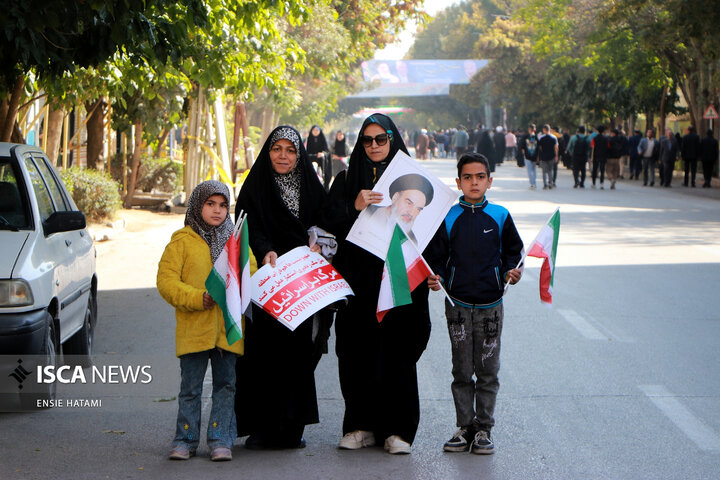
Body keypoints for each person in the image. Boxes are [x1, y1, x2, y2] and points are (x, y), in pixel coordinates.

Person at [324, 113, 431, 455]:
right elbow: (327, 226)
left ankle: (398, 430)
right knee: (356, 351)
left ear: (392, 140)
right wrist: (354, 206)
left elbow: (433, 234)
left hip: (400, 281)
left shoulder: (413, 180)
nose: (373, 146)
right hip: (357, 282)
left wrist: (434, 270)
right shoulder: (345, 181)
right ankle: (359, 425)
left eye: (380, 139)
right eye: (367, 140)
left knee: (398, 351)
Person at [234, 125, 328, 450]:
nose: (283, 156)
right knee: (261, 355)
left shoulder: (312, 188)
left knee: (298, 355)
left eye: (290, 150)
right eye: (277, 149)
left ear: (299, 153)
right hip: (266, 282)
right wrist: (263, 249)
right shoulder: (255, 187)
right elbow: (245, 223)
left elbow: (327, 223)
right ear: (268, 152)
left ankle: (292, 427)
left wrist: (317, 243)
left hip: (302, 284)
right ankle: (261, 428)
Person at [425, 153, 523, 456]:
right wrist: (436, 275)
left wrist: (512, 271)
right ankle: (464, 427)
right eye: (467, 177)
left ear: (490, 181)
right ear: (458, 182)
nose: (474, 182)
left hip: (491, 304)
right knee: (462, 369)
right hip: (456, 304)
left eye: (480, 177)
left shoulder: (501, 216)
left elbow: (514, 252)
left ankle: (484, 429)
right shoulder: (448, 217)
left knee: (488, 368)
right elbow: (436, 256)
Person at [157, 180, 244, 462]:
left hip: (226, 329)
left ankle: (221, 439)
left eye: (222, 205)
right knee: (191, 389)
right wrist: (197, 298)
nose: (217, 211)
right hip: (194, 329)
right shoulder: (182, 240)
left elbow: (249, 272)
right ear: (197, 205)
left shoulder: (236, 240)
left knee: (226, 385)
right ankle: (185, 439)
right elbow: (166, 282)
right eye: (210, 204)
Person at [364, 173, 434, 245]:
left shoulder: (411, 241)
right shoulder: (367, 212)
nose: (411, 213)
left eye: (418, 209)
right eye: (409, 203)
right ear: (395, 197)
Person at [306, 125, 330, 189]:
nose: (315, 132)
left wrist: (322, 153)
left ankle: (323, 178)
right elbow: (307, 151)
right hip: (312, 157)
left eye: (317, 130)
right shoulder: (309, 139)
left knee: (322, 159)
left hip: (321, 158)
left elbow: (326, 151)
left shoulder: (322, 138)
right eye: (314, 130)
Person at [537, 124, 558, 189]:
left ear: (545, 130)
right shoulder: (554, 137)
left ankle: (545, 184)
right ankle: (550, 183)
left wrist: (539, 155)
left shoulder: (541, 138)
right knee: (550, 170)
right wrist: (556, 156)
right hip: (551, 156)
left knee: (544, 171)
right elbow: (556, 148)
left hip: (544, 156)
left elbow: (539, 147)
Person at [520, 124, 539, 189]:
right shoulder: (536, 137)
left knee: (529, 171)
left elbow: (522, 147)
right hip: (534, 156)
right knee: (534, 170)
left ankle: (532, 184)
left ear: (529, 129)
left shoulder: (525, 137)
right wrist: (538, 156)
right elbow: (539, 147)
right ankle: (534, 183)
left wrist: (524, 154)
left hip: (527, 156)